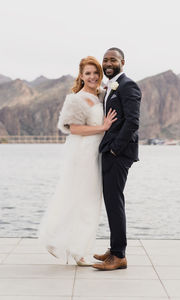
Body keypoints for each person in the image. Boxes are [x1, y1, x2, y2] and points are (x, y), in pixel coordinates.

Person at [38, 56, 117, 266]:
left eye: (95, 73)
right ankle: (53, 238)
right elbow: (72, 128)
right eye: (88, 73)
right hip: (83, 153)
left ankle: (78, 249)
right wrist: (103, 127)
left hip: (97, 153)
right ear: (81, 76)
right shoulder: (76, 99)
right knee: (79, 198)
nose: (92, 77)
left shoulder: (101, 95)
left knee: (89, 201)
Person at [92, 47, 142, 270]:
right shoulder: (112, 87)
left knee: (115, 202)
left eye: (113, 59)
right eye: (105, 60)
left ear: (123, 62)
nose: (108, 63)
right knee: (112, 201)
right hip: (112, 151)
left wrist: (114, 150)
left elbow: (132, 122)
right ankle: (114, 249)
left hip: (119, 154)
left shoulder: (128, 85)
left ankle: (119, 255)